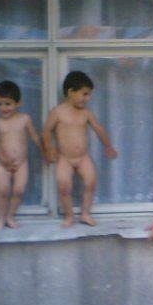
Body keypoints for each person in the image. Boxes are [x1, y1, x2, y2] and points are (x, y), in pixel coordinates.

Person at [42, 71, 118, 227]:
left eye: (89, 95)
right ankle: (69, 216)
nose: (87, 98)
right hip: (65, 158)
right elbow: (46, 132)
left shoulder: (86, 113)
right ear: (71, 92)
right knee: (64, 186)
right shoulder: (57, 112)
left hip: (83, 157)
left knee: (91, 181)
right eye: (85, 94)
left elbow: (98, 129)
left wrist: (108, 146)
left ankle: (85, 213)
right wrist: (49, 149)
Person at [0, 80, 42, 230]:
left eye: (8, 104)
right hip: (3, 163)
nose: (3, 108)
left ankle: (10, 216)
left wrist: (44, 149)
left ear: (18, 103)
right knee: (3, 190)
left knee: (19, 190)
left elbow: (34, 136)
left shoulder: (24, 119)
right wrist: (2, 158)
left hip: (21, 163)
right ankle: (0, 218)